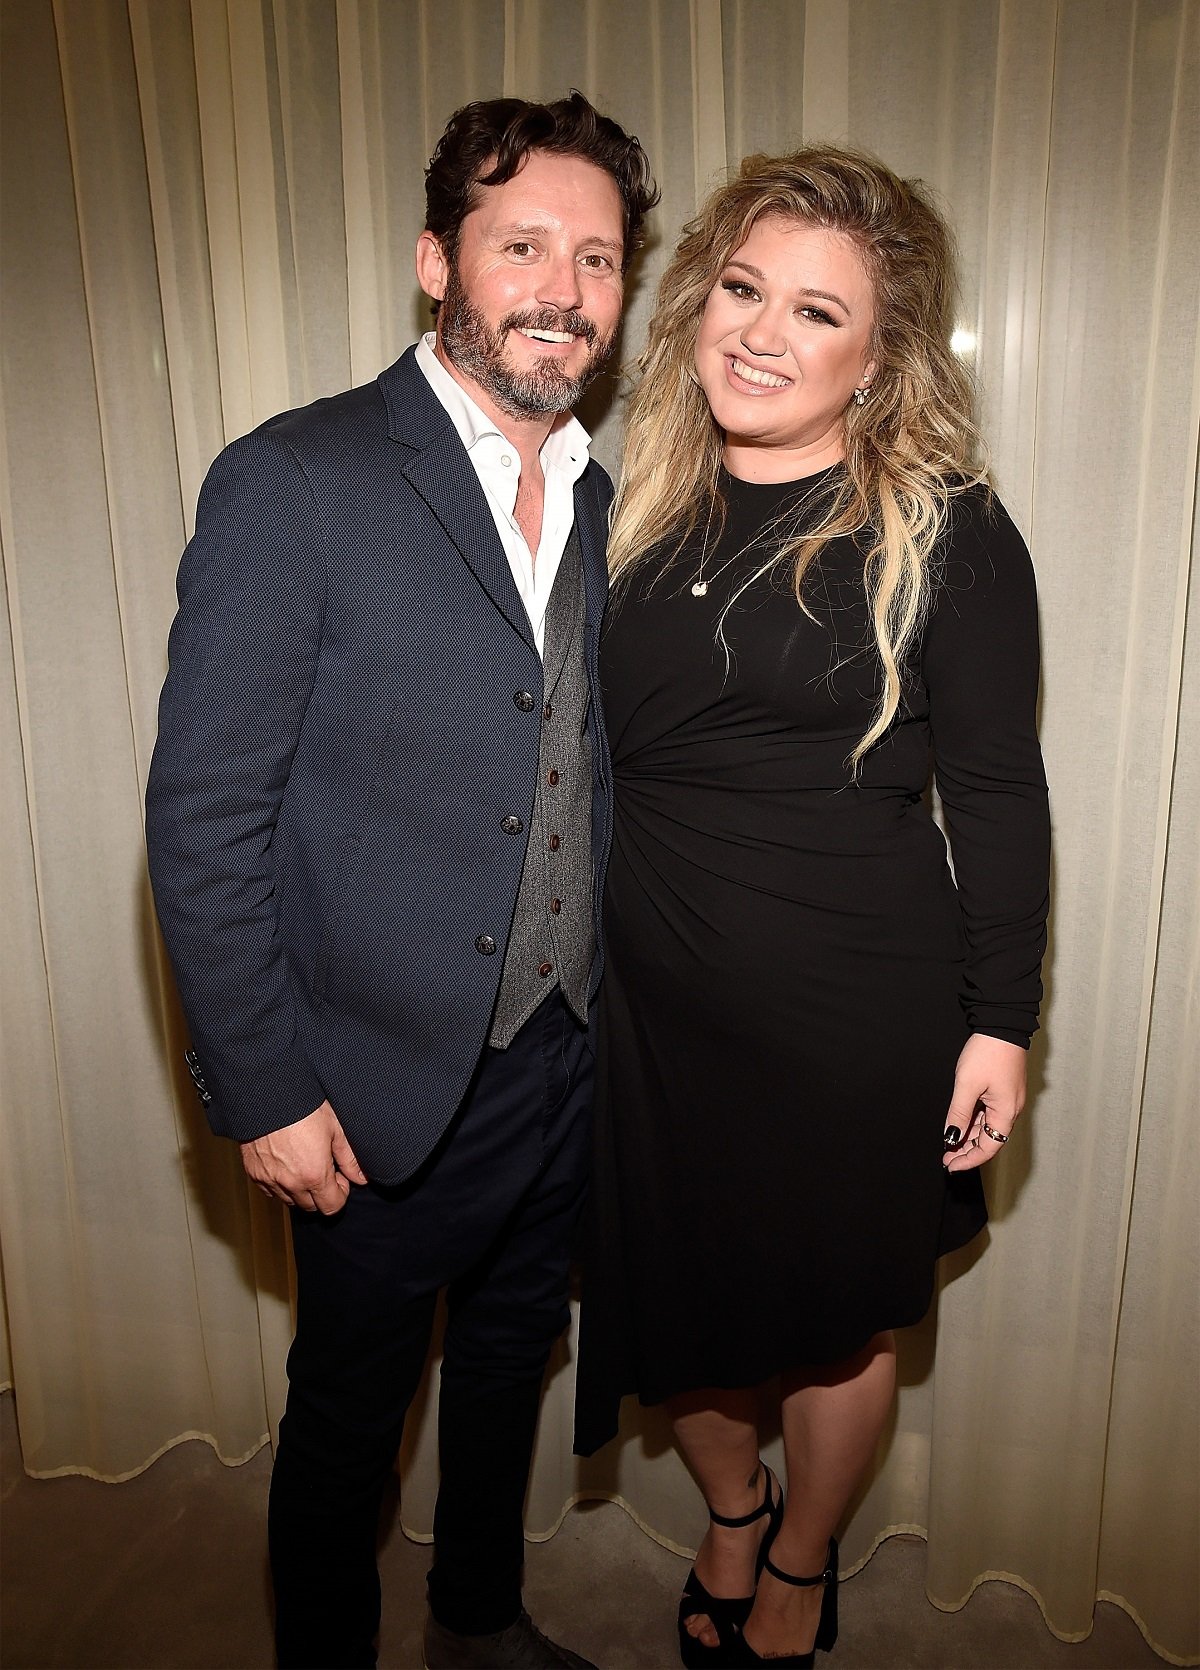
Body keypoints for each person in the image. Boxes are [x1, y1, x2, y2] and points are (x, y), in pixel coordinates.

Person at [146, 92, 657, 1670]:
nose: (562, 288)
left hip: (561, 1053)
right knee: (351, 1416)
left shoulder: (602, 493)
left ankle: (480, 1616)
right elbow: (203, 814)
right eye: (523, 246)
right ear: (439, 261)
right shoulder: (293, 480)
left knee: (515, 1353)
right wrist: (264, 1087)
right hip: (367, 1083)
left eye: (597, 255)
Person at [573, 147, 1050, 1669]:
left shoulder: (950, 530)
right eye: (741, 287)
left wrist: (1001, 1020)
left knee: (838, 1319)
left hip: (856, 1016)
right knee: (680, 1308)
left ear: (879, 357)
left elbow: (995, 795)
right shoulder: (628, 505)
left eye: (817, 309)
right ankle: (730, 1506)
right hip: (647, 1014)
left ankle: (796, 1554)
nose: (762, 331)